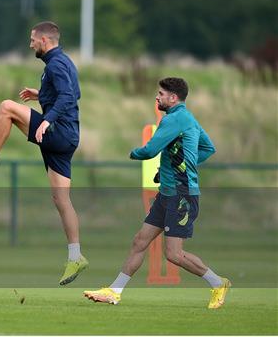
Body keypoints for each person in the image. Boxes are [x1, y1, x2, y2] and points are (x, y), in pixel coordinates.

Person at [84, 77, 231, 309]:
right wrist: (180, 165)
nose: (157, 97)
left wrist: (132, 152)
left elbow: (149, 150)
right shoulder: (187, 118)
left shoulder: (174, 119)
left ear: (173, 98)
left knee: (173, 255)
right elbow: (208, 148)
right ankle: (114, 291)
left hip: (181, 196)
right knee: (139, 241)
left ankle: (218, 283)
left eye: (161, 94)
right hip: (168, 193)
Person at [0, 21, 88, 285]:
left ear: (44, 40)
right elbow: (73, 91)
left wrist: (47, 119)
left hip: (59, 133)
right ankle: (76, 256)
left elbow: (68, 97)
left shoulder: (56, 63)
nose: (30, 44)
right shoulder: (62, 62)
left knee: (7, 107)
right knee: (61, 200)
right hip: (67, 137)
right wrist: (41, 94)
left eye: (33, 40)